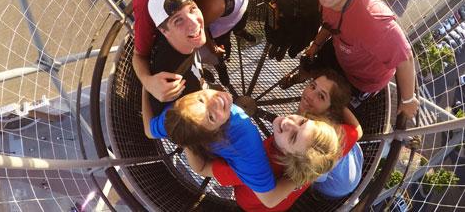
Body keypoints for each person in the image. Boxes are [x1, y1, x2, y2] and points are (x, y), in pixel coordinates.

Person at [142, 88, 342, 210]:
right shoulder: (316, 153)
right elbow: (354, 132)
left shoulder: (248, 157)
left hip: (250, 205)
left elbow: (202, 168)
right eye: (303, 121)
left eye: (292, 136)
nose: (290, 123)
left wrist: (188, 140)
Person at [303, 0, 419, 119]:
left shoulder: (373, 21)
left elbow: (406, 57)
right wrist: (316, 45)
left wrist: (408, 99)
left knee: (330, 113)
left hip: (360, 80)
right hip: (341, 52)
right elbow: (331, 22)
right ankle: (301, 77)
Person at [298, 69, 364, 199]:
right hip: (354, 162)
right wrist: (337, 104)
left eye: (321, 96)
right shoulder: (330, 122)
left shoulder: (317, 143)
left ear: (331, 109)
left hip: (337, 188)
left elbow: (314, 176)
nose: (309, 95)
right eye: (312, 86)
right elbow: (358, 132)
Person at [146, 0, 207, 116]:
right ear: (164, 31)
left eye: (192, 9)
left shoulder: (183, 41)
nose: (194, 23)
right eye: (178, 20)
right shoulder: (172, 82)